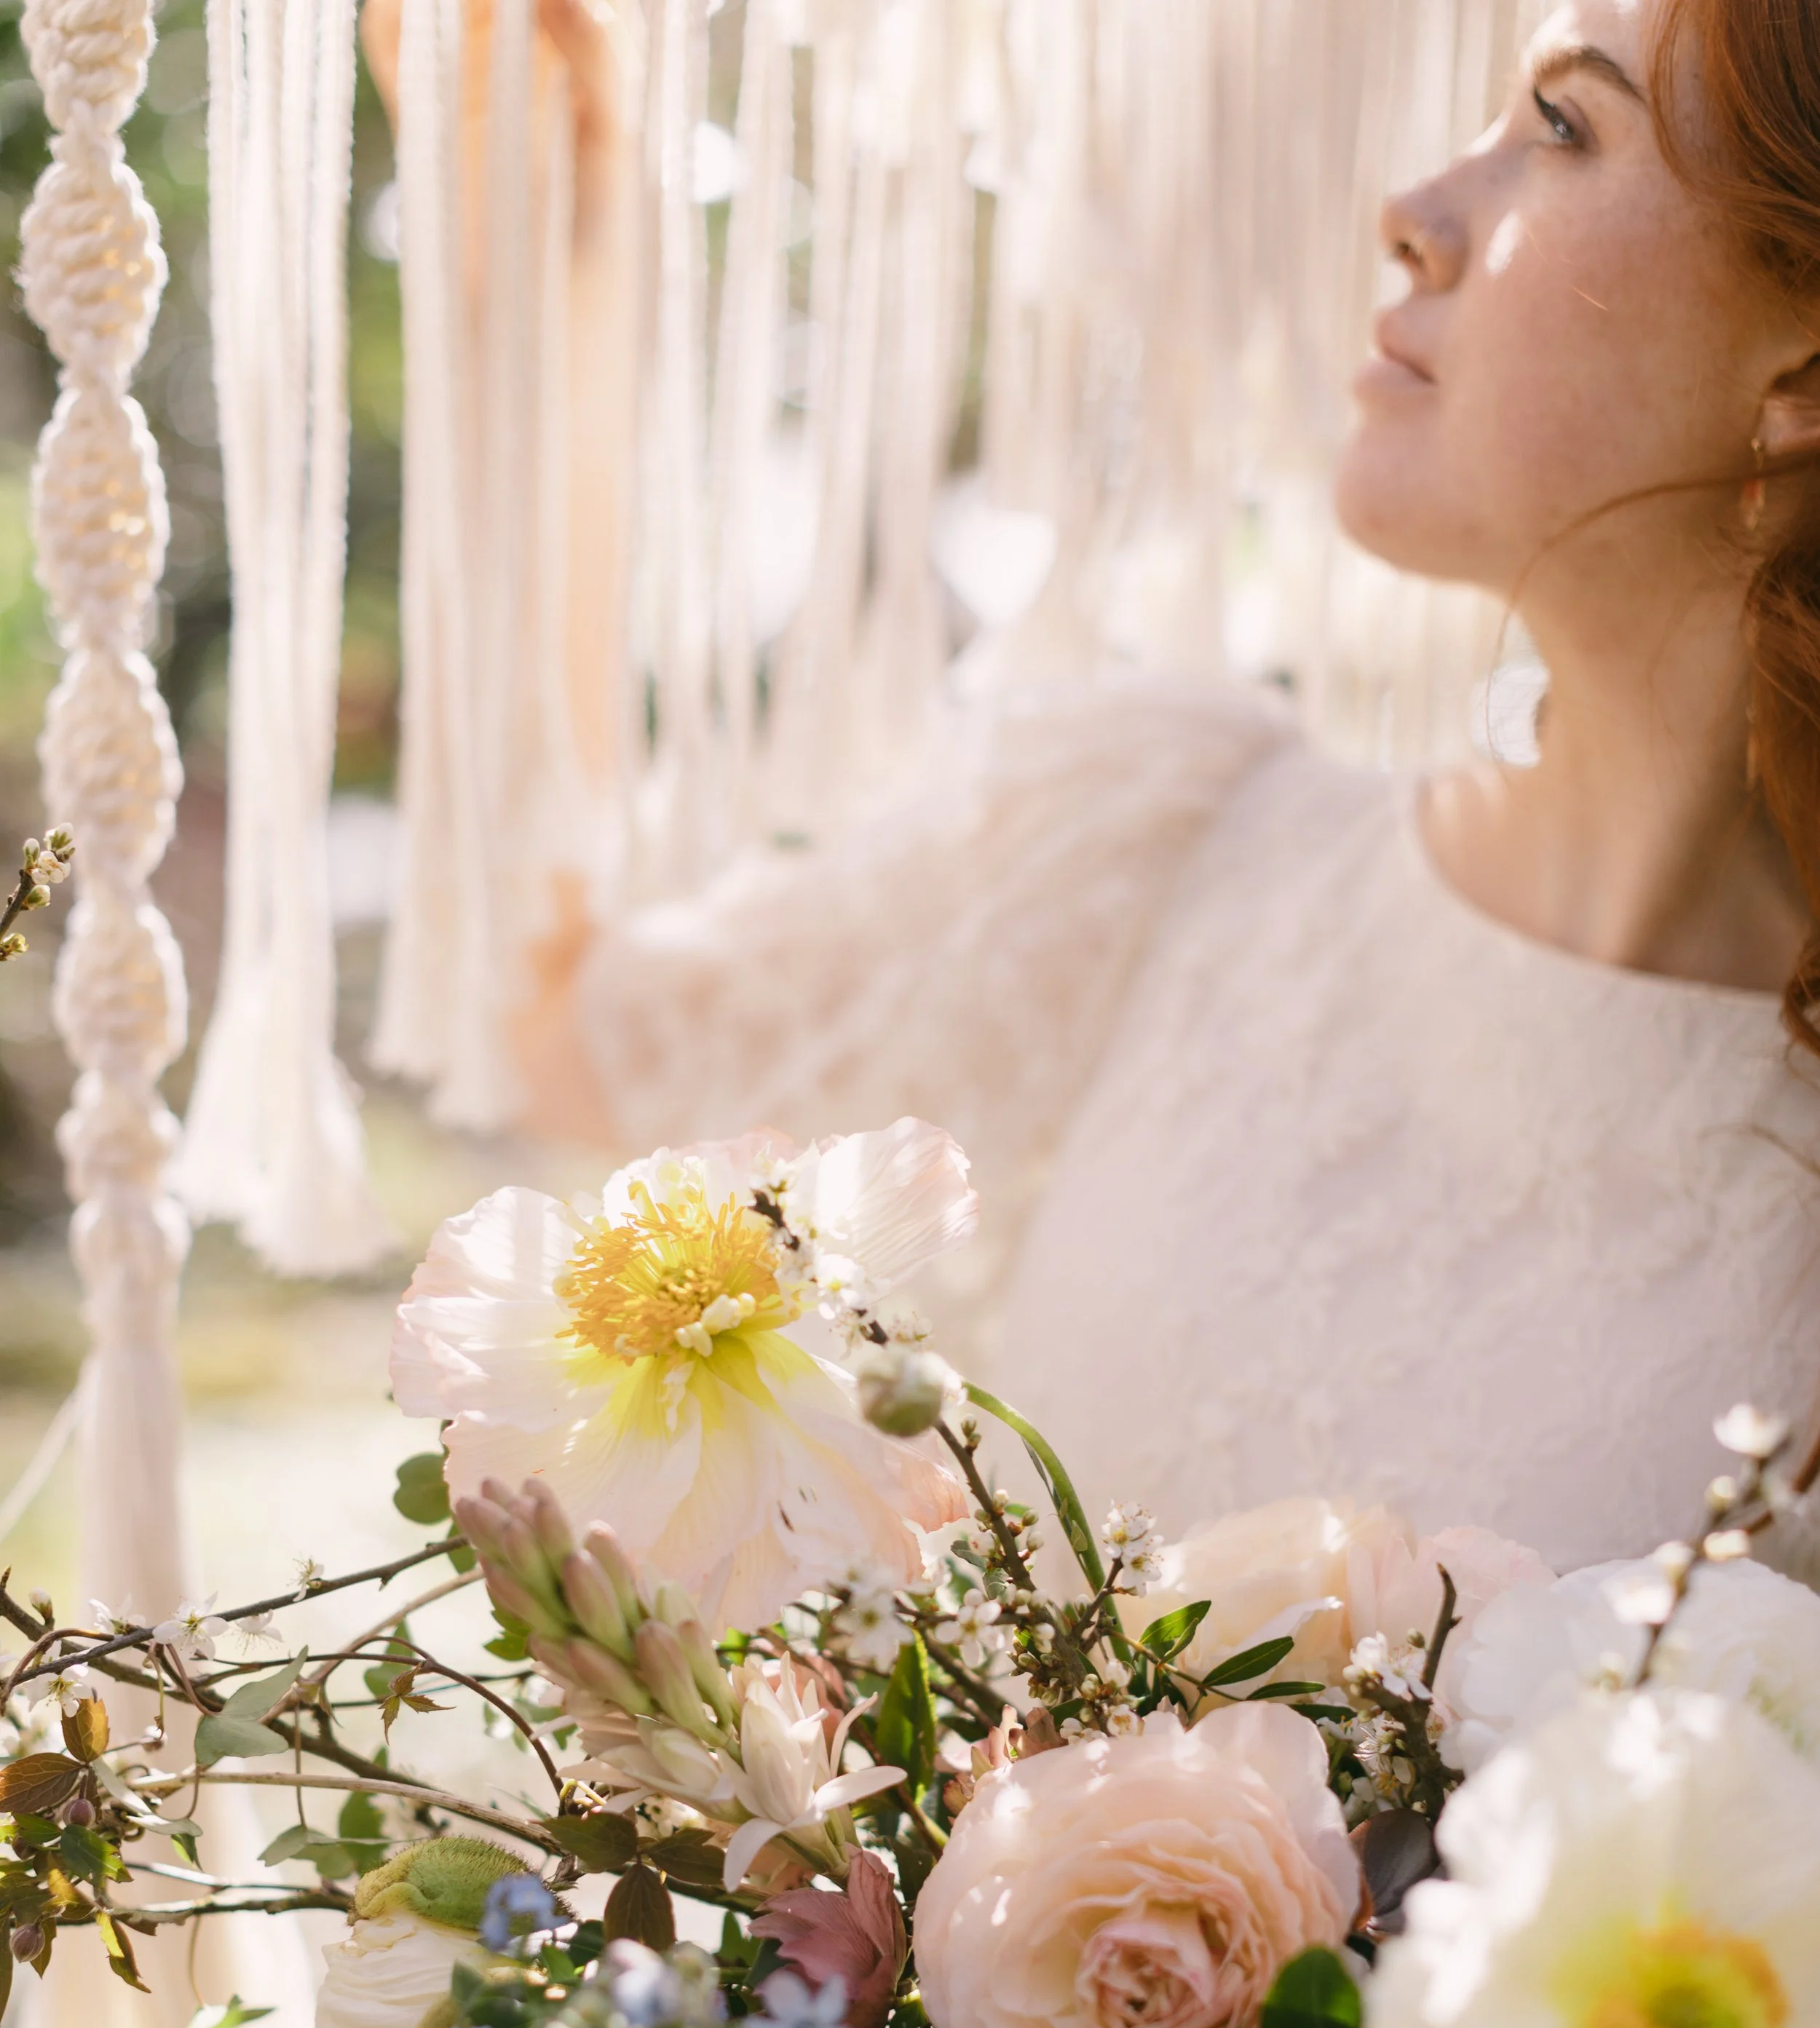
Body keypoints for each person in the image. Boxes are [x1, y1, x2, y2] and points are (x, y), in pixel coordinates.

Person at [561, 0, 1820, 1583]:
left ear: (1803, 370)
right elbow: (587, 1040)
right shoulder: (1165, 840)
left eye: (1563, 130)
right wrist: (565, 245)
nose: (1411, 214)